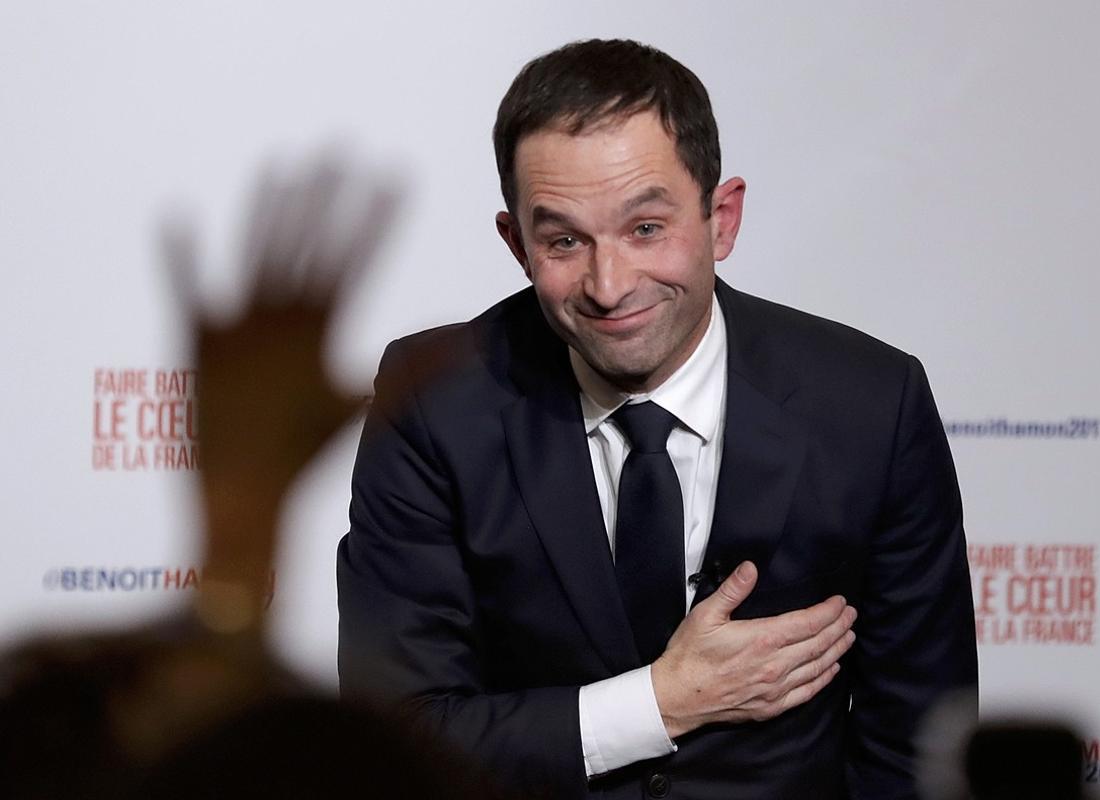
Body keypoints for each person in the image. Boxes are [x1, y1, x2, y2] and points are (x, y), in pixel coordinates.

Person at [337, 38, 977, 799]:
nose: (610, 286)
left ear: (723, 217)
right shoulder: (433, 400)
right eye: (565, 241)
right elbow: (398, 740)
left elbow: (919, 753)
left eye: (646, 229)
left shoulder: (871, 402)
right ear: (516, 245)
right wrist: (659, 703)